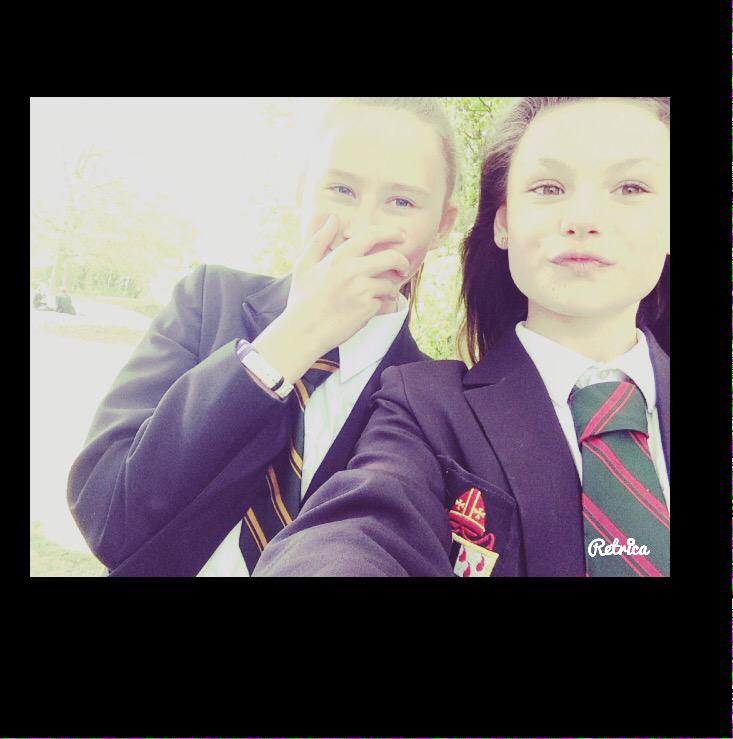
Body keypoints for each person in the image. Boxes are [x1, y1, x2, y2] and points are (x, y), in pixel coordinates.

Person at [253, 96, 670, 578]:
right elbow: (357, 531)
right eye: (548, 187)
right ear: (503, 223)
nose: (582, 218)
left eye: (631, 187)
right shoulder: (424, 408)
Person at [67, 97, 459, 576]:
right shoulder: (207, 302)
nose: (362, 229)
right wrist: (294, 336)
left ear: (442, 224)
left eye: (401, 202)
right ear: (301, 192)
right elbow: (107, 515)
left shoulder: (435, 399)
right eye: (341, 189)